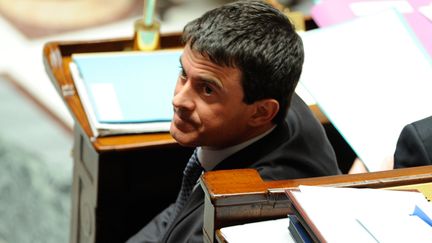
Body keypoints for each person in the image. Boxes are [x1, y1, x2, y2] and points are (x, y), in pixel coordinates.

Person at [127, 1, 341, 242]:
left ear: (261, 112)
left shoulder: (246, 210)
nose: (179, 100)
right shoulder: (273, 92)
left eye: (207, 90)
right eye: (183, 74)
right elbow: (179, 213)